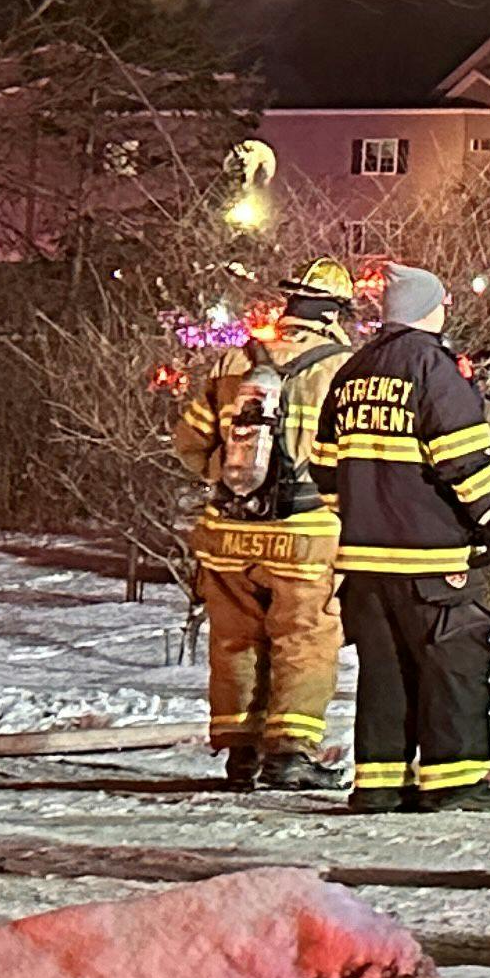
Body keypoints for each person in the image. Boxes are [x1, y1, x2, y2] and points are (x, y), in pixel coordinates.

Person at [322, 264, 490, 813]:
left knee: (384, 672)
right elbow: (463, 460)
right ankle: (455, 782)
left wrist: (361, 519)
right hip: (431, 556)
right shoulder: (432, 368)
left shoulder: (353, 371)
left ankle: (380, 784)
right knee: (453, 665)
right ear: (426, 308)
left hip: (364, 560)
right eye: (442, 302)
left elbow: (324, 469)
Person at [171, 265, 361, 788]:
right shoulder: (345, 369)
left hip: (228, 533)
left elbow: (189, 443)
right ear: (335, 313)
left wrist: (224, 475)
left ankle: (240, 755)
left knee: (235, 640)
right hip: (304, 534)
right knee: (305, 640)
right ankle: (290, 755)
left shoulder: (234, 363)